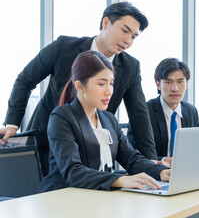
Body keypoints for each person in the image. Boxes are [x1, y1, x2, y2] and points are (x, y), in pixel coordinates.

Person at [0, 1, 157, 175]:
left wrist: (151, 163)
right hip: (45, 142)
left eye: (134, 36)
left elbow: (139, 115)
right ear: (105, 23)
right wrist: (12, 123)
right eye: (125, 31)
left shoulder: (130, 67)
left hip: (89, 155)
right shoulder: (63, 47)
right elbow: (25, 80)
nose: (128, 41)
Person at [38, 50, 170, 192]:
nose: (109, 91)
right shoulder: (61, 117)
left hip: (96, 197)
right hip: (61, 199)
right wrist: (120, 180)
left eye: (111, 83)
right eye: (101, 84)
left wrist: (161, 172)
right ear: (80, 86)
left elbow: (131, 158)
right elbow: (73, 172)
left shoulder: (109, 119)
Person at [127, 58, 199, 165]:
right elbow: (136, 154)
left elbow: (198, 147)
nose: (175, 88)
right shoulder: (143, 112)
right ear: (158, 84)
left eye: (180, 82)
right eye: (168, 82)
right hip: (153, 175)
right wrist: (166, 161)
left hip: (186, 172)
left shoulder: (191, 111)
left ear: (187, 84)